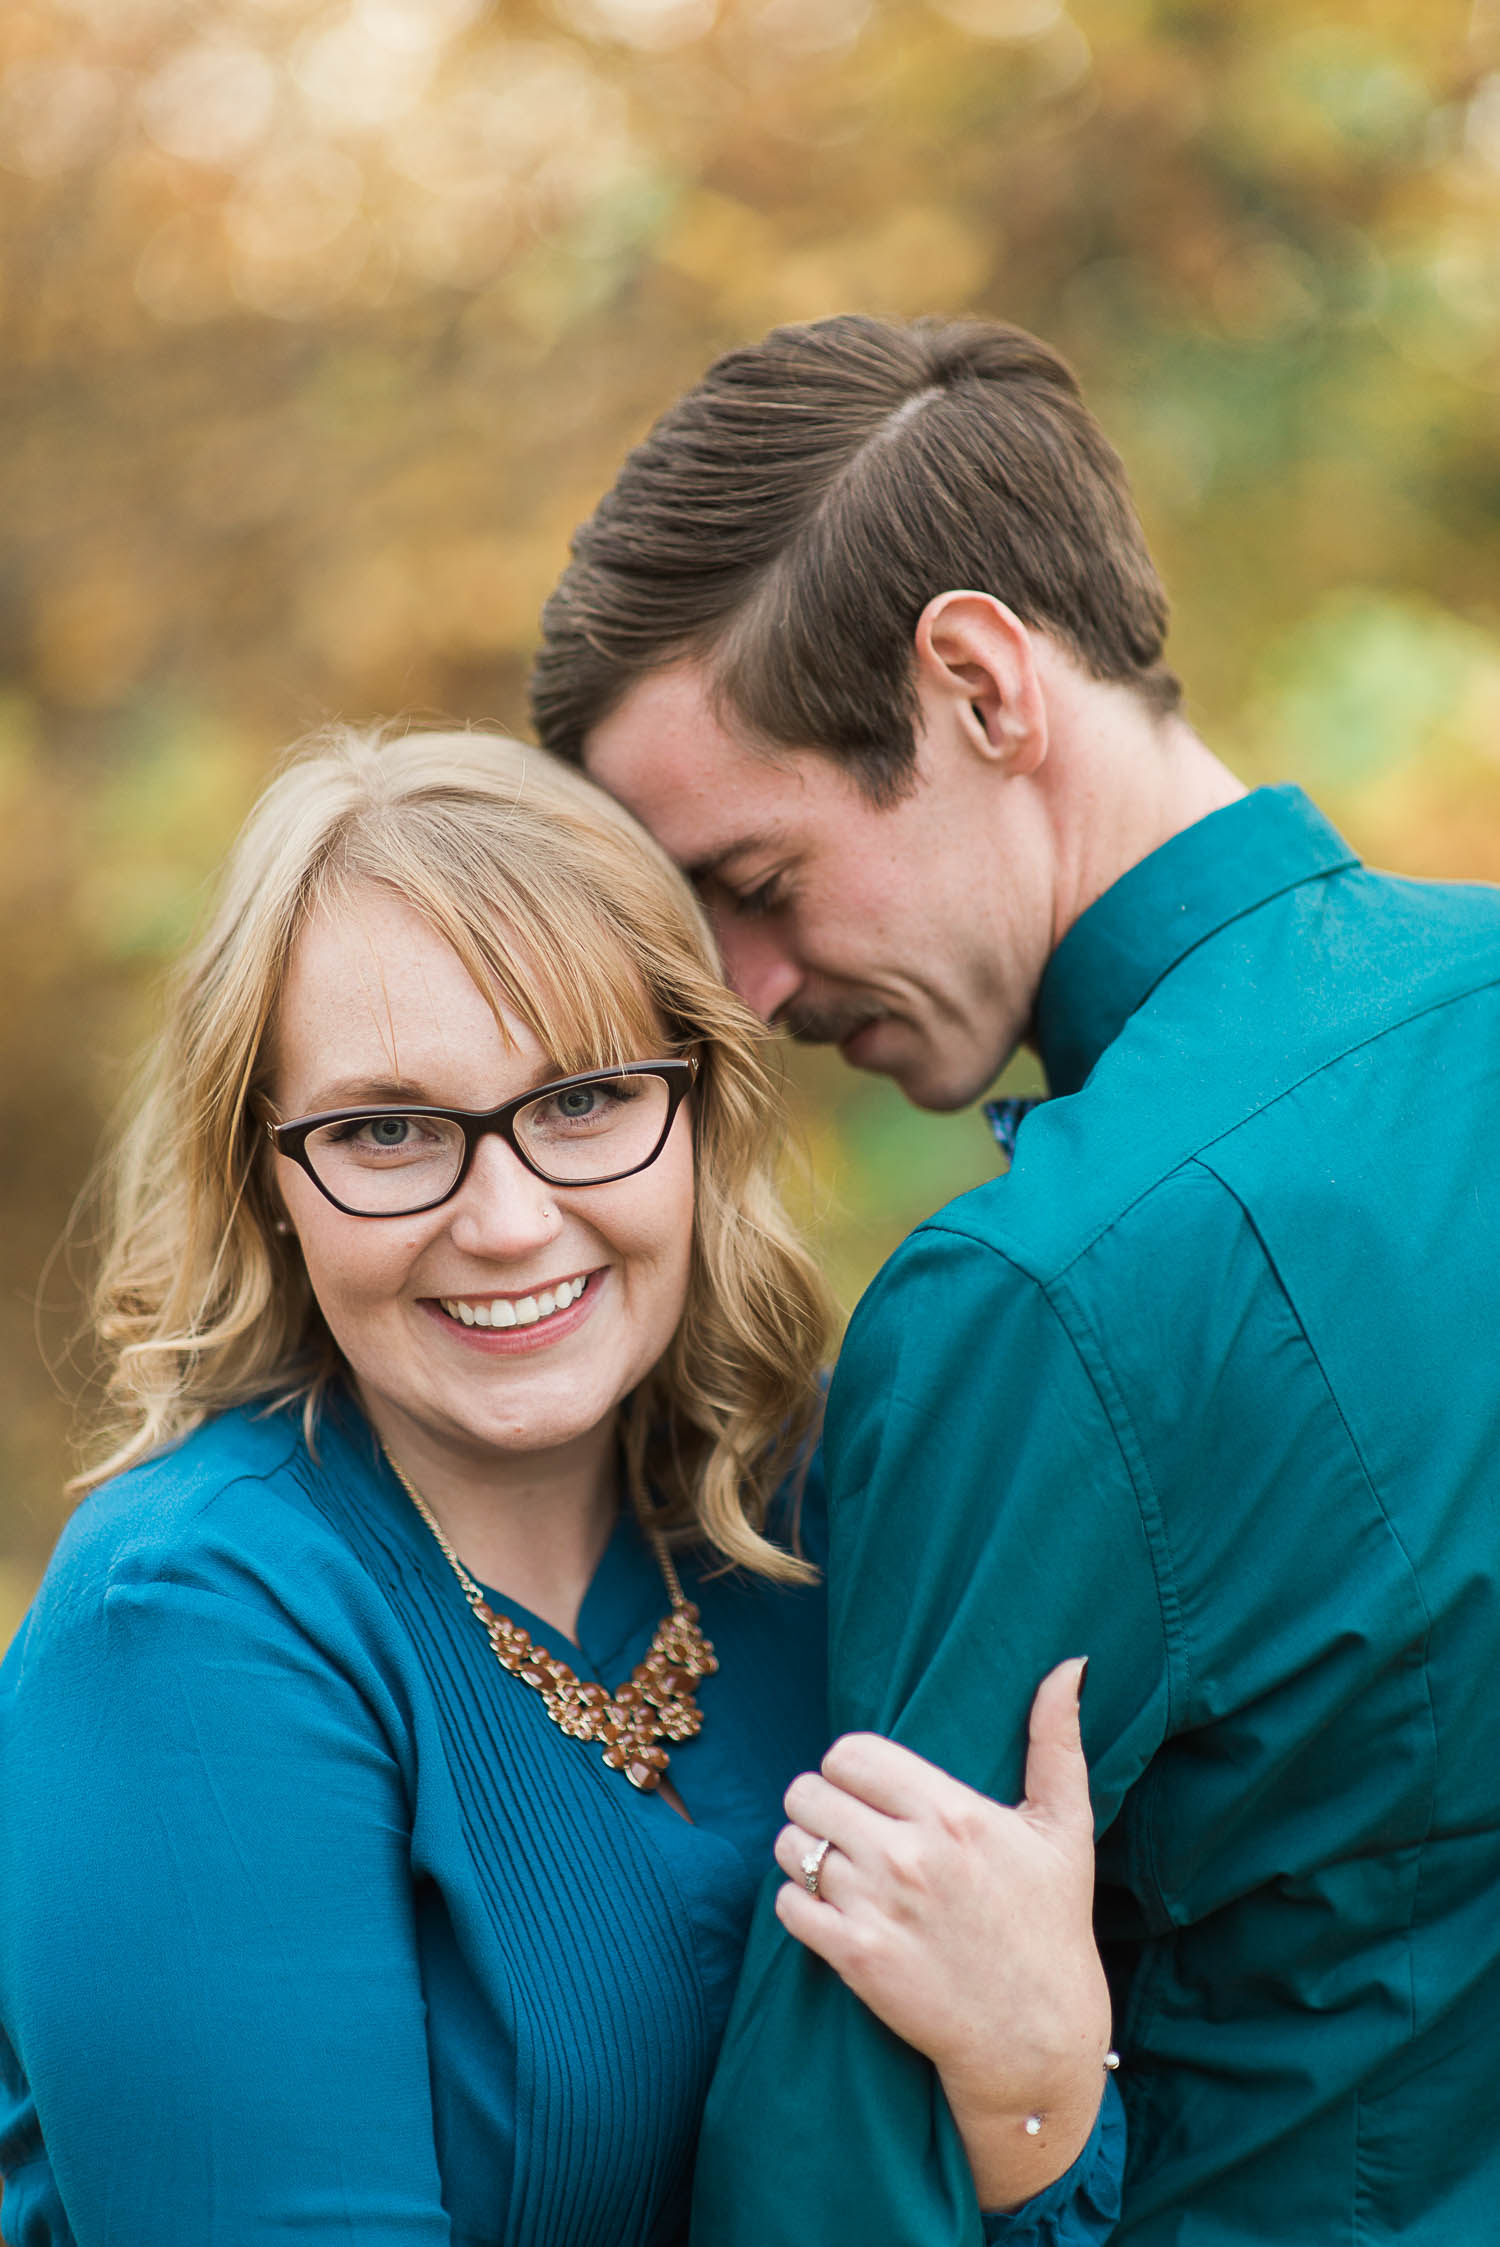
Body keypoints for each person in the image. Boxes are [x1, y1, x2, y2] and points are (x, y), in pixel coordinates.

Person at [531, 312, 1500, 2243]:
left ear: (979, 682)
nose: (745, 993)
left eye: (758, 879)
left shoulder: (1039, 1296)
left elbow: (836, 2166)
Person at [0, 726, 1123, 2247]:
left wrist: (1038, 2071)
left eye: (584, 1100)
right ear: (267, 1171)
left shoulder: (813, 1525)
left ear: (702, 1108)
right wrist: (1022, 2108)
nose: (514, 1220)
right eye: (389, 1130)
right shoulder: (190, 1626)